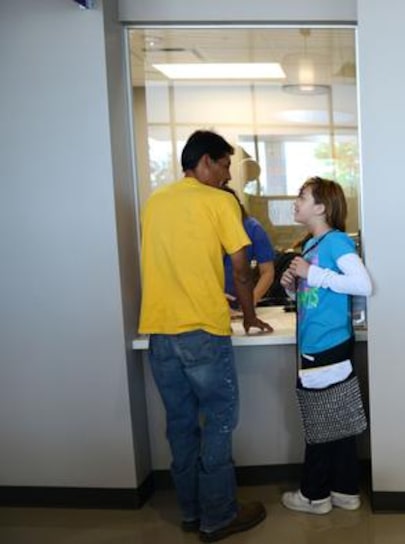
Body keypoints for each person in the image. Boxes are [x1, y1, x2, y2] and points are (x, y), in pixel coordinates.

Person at [138, 130, 273, 542]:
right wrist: (249, 316)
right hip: (202, 330)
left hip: (160, 332)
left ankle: (192, 513)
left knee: (180, 425)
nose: (229, 173)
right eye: (225, 164)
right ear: (205, 162)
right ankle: (219, 516)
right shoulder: (217, 202)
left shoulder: (155, 201)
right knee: (217, 422)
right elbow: (242, 267)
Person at [279, 177, 373, 515]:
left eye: (302, 197)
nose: (296, 202)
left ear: (320, 207)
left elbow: (363, 284)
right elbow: (313, 296)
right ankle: (345, 491)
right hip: (321, 344)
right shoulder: (311, 246)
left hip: (325, 345)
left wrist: (312, 274)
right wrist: (293, 285)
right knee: (338, 420)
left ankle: (314, 495)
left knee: (319, 422)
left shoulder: (333, 243)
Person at [219, 186, 275, 310]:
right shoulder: (201, 229)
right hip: (208, 303)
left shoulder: (252, 228)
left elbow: (267, 272)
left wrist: (249, 303)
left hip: (240, 302)